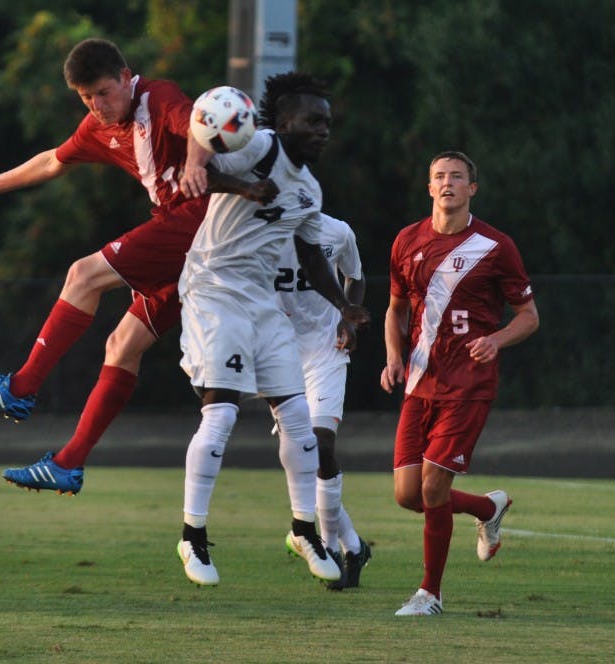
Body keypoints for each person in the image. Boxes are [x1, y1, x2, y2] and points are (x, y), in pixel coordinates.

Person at [0, 38, 214, 495]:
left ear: (125, 76)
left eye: (104, 93)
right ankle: (68, 463)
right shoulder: (99, 127)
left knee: (83, 273)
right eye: (86, 98)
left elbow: (199, 126)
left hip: (200, 223)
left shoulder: (159, 96)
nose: (97, 106)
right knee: (122, 345)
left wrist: (195, 162)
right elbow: (53, 161)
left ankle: (22, 386)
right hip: (186, 242)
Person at [175, 72, 370, 587]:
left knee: (298, 417)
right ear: (283, 123)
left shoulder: (309, 189)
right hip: (214, 290)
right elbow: (197, 163)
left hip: (262, 300)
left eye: (327, 122)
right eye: (312, 120)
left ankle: (305, 529)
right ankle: (192, 537)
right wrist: (238, 185)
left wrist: (343, 305)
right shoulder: (256, 148)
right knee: (221, 412)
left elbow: (309, 254)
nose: (323, 130)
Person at [381, 151, 539, 616]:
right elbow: (395, 309)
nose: (447, 182)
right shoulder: (406, 241)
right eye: (438, 176)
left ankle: (430, 593)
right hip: (419, 382)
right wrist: (393, 357)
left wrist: (496, 340)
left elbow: (529, 316)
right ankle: (487, 510)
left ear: (473, 187)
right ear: (428, 188)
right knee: (408, 495)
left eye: (456, 176)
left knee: (432, 490)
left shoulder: (495, 246)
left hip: (469, 384)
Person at [273, 212, 372, 590]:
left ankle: (327, 546)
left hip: (326, 350)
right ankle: (354, 545)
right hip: (279, 357)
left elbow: (357, 277)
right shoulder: (258, 230)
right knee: (303, 455)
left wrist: (347, 322)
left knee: (321, 446)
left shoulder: (338, 232)